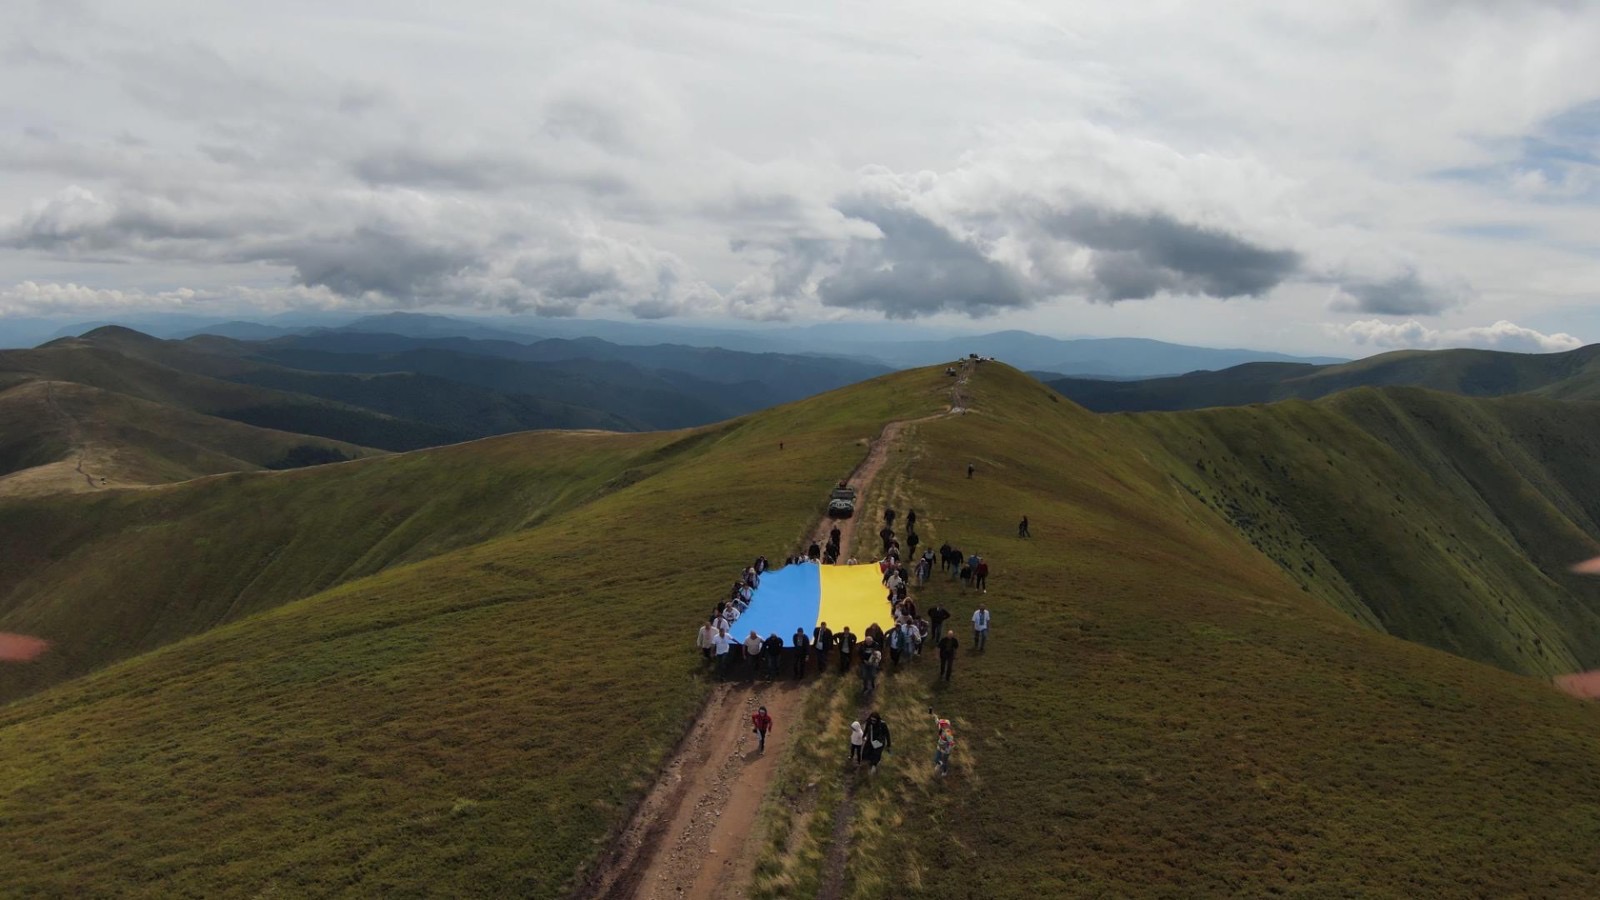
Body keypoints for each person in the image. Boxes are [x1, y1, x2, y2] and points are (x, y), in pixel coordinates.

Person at [929, 710, 954, 776]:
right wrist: (932, 713)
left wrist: (946, 749)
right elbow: (936, 718)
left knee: (944, 762)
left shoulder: (948, 733)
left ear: (947, 725)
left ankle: (944, 771)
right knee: (936, 759)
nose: (941, 725)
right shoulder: (940, 726)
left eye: (943, 725)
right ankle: (939, 764)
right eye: (941, 724)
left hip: (946, 750)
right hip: (939, 747)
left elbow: (951, 743)